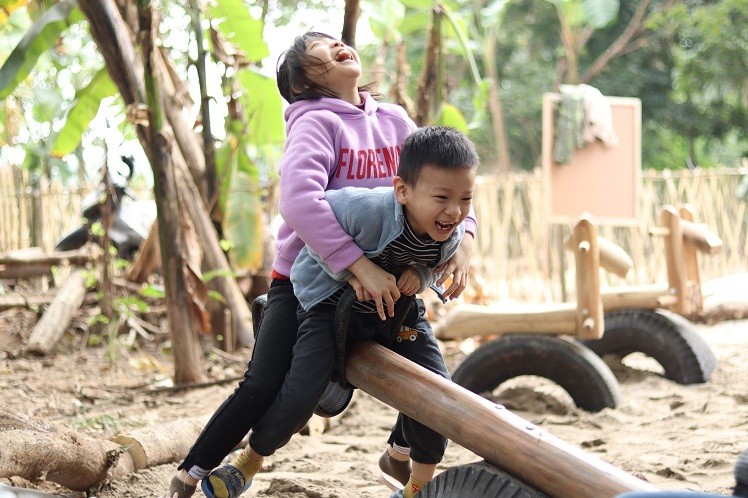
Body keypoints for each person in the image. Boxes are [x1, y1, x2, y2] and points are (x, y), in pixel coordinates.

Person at [160, 31, 477, 498]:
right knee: (266, 381)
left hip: (390, 278)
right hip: (309, 281)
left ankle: (400, 452)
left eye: (337, 42)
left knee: (428, 377)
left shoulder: (393, 120)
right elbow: (299, 202)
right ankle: (194, 470)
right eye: (322, 51)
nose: (338, 46)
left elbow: (446, 181)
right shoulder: (315, 122)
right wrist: (356, 266)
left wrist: (466, 239)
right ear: (306, 80)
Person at [219, 126, 478, 498]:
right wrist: (346, 274)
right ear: (402, 190)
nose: (454, 211)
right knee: (300, 393)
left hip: (398, 313)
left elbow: (432, 263)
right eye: (442, 197)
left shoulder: (451, 230)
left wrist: (418, 275)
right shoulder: (363, 208)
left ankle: (416, 487)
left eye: (465, 199)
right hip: (331, 306)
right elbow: (315, 233)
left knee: (437, 391)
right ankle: (250, 460)